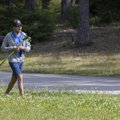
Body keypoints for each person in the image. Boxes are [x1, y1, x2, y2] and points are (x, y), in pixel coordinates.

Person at [1, 19, 31, 96]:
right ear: (13, 27)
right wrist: (12, 48)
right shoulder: (9, 36)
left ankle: (6, 93)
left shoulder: (24, 35)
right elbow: (3, 48)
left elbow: (28, 48)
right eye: (18, 26)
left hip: (21, 59)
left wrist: (22, 48)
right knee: (20, 77)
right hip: (13, 59)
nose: (20, 28)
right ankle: (22, 95)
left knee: (14, 78)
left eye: (20, 26)